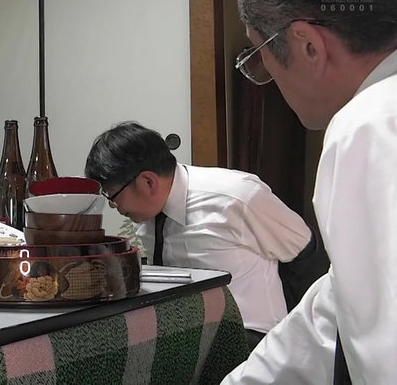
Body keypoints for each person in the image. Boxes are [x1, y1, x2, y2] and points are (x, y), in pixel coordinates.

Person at [224, 0, 397, 382]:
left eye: (259, 54)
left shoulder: (370, 124)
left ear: (307, 46)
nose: (267, 74)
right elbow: (335, 311)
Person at [84, 121, 312, 350]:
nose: (113, 205)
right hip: (188, 336)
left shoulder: (236, 196)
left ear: (148, 182)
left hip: (251, 338)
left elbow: (305, 251)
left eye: (112, 195)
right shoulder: (147, 214)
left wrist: (294, 335)